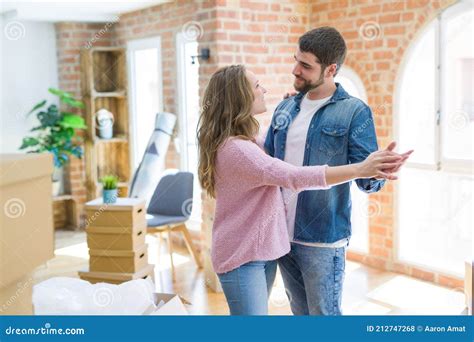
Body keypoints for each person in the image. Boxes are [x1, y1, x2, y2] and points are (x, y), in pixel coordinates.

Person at [197, 64, 411, 315]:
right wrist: (359, 169)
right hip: (243, 258)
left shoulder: (243, 142)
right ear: (239, 96)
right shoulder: (238, 151)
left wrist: (295, 118)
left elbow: (270, 143)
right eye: (256, 86)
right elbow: (293, 176)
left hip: (256, 254)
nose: (263, 90)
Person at [264, 26, 396, 315]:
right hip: (281, 236)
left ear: (330, 69)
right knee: (301, 316)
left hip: (323, 240)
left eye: (306, 65)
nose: (295, 70)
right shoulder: (284, 108)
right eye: (296, 60)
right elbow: (267, 166)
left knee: (325, 318)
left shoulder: (354, 111)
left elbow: (366, 181)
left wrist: (377, 171)